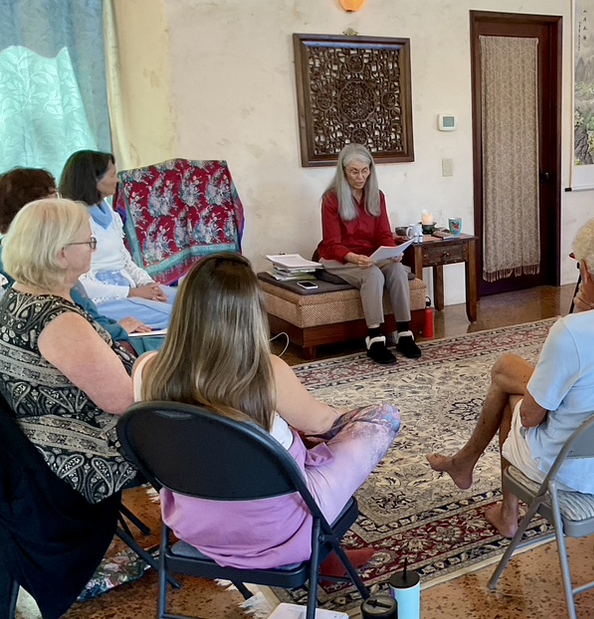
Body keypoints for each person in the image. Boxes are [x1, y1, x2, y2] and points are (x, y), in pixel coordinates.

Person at [134, 253, 400, 571]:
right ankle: (322, 554)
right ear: (253, 313)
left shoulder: (145, 369)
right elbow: (326, 422)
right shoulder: (266, 372)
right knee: (383, 418)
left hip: (196, 525)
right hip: (280, 531)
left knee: (282, 439)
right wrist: (351, 415)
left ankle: (325, 554)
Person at [427, 214, 594, 537]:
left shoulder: (571, 332)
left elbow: (531, 419)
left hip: (570, 472)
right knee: (509, 370)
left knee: (513, 397)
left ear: (585, 270)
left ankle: (506, 513)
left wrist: (582, 319)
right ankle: (465, 463)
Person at [0, 198, 139, 504]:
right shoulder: (57, 320)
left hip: (38, 446)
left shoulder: (17, 295)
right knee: (207, 425)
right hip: (86, 452)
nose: (94, 247)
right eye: (89, 241)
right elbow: (123, 400)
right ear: (62, 254)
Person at [0, 167, 161, 353]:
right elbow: (75, 326)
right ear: (35, 209)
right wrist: (118, 325)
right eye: (54, 195)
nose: (60, 202)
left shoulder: (44, 256)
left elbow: (87, 312)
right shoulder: (45, 263)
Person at [317, 143, 421, 365]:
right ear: (343, 171)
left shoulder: (377, 195)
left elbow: (384, 233)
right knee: (372, 274)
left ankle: (404, 333)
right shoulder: (331, 199)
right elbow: (332, 243)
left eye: (365, 170)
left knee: (398, 270)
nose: (360, 176)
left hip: (370, 255)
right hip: (338, 258)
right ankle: (375, 339)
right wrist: (354, 258)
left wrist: (393, 251)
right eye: (354, 171)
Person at [58, 150, 175, 328]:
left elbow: (125, 261)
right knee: (180, 317)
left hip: (128, 290)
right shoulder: (72, 220)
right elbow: (79, 283)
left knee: (193, 303)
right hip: (101, 300)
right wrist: (132, 292)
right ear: (93, 180)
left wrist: (149, 285)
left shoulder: (111, 216)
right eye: (112, 175)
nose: (118, 180)